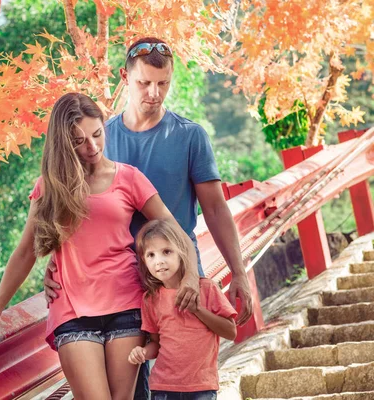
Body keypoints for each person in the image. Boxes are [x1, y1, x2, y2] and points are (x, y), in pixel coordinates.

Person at [43, 37, 253, 400]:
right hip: (122, 286)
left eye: (163, 83)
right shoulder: (99, 138)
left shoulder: (190, 136)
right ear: (126, 77)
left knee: (188, 384)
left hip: (179, 280)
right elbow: (70, 208)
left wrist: (239, 273)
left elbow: (216, 210)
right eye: (144, 83)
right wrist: (54, 261)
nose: (154, 93)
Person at [0, 92, 198, 400]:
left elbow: (173, 230)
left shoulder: (128, 178)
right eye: (78, 141)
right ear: (63, 143)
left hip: (126, 305)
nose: (92, 147)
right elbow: (26, 251)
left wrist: (192, 276)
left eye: (97, 134)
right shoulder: (49, 187)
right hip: (72, 311)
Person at [128, 219, 237, 400]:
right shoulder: (150, 299)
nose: (159, 261)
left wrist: (197, 310)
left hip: (201, 386)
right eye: (151, 255)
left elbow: (230, 331)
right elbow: (156, 344)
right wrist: (143, 352)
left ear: (181, 252)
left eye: (166, 252)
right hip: (163, 386)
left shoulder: (206, 288)